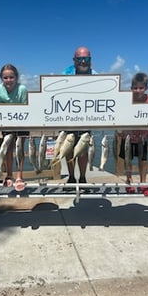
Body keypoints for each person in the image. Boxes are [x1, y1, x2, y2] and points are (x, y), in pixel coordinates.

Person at [119, 72, 148, 196]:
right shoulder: (126, 100)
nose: (138, 90)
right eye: (135, 88)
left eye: (141, 88)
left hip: (143, 137)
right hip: (127, 136)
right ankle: (129, 181)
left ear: (146, 88)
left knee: (143, 160)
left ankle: (143, 183)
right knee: (127, 160)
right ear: (131, 88)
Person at [62, 46, 97, 190]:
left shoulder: (96, 76)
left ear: (90, 60)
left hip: (86, 120)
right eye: (80, 59)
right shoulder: (65, 74)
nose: (83, 61)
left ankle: (82, 178)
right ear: (74, 60)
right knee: (68, 149)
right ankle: (71, 178)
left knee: (83, 152)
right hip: (67, 119)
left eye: (86, 59)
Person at [0, 63, 28, 191]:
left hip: (21, 124)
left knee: (19, 149)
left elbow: (26, 107)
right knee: (6, 149)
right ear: (1, 79)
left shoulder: (22, 89)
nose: (8, 80)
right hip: (5, 124)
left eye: (11, 77)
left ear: (17, 78)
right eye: (5, 78)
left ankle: (19, 176)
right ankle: (9, 175)